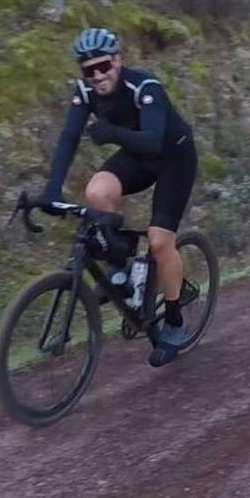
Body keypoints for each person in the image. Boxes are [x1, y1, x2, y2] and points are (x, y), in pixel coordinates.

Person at [39, 27, 198, 367]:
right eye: (89, 70)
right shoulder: (85, 92)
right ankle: (121, 270)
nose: (98, 75)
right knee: (96, 192)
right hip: (137, 157)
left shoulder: (144, 87)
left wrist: (111, 132)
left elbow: (153, 140)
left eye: (104, 66)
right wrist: (52, 188)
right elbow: (68, 138)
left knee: (159, 241)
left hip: (174, 157)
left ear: (117, 61)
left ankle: (174, 320)